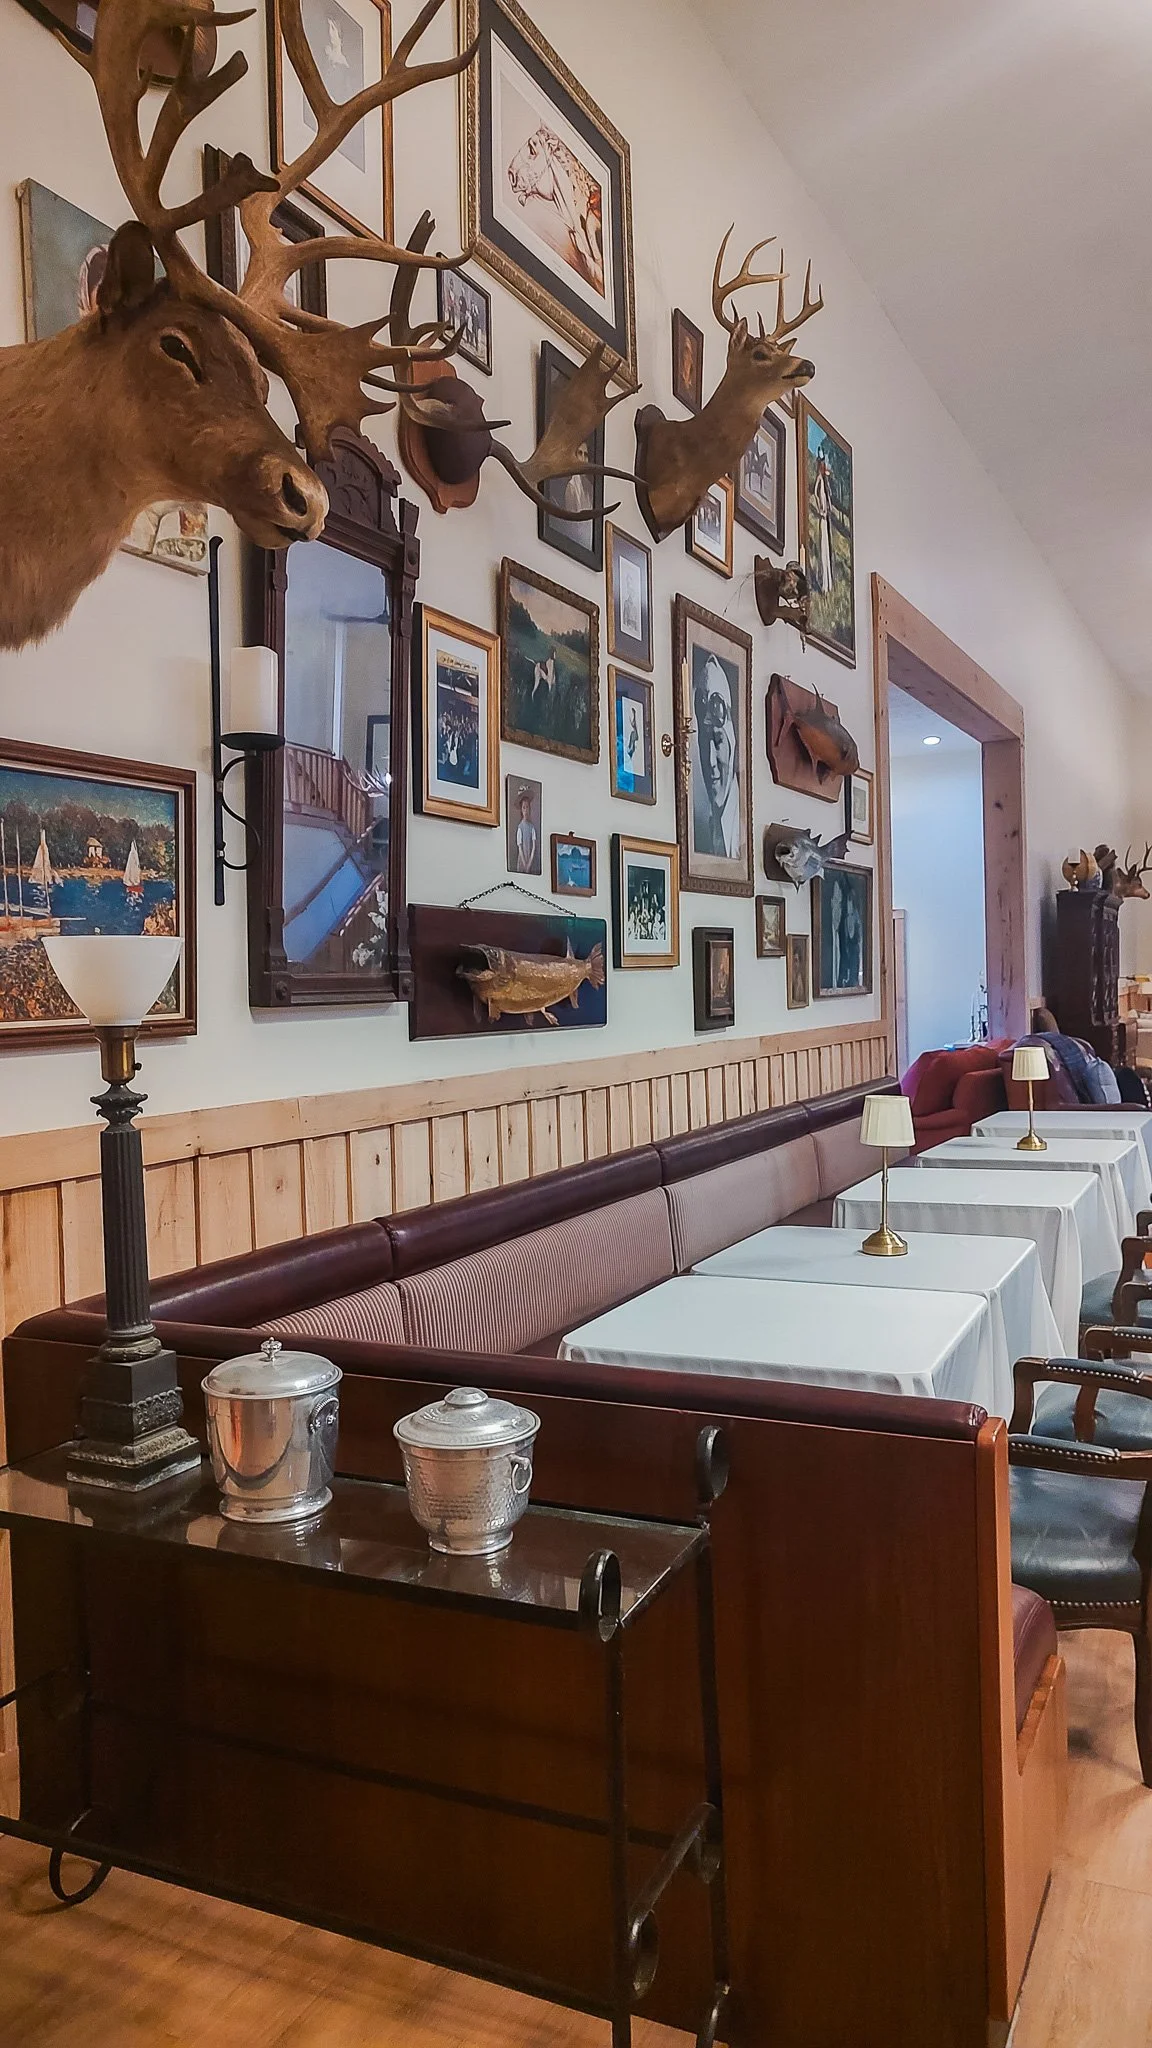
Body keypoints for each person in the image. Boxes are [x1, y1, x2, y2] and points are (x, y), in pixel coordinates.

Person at [692, 654, 741, 859]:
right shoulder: (705, 830)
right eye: (704, 743)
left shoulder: (741, 837)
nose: (710, 761)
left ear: (732, 741)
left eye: (718, 742)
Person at [811, 449, 833, 594]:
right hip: (822, 518)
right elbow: (815, 492)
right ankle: (825, 583)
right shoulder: (820, 479)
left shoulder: (825, 481)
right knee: (823, 548)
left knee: (828, 550)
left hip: (826, 518)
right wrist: (820, 507)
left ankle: (828, 582)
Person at [514, 788, 538, 873]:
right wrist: (525, 864)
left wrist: (529, 863)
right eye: (524, 807)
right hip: (523, 859)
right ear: (521, 810)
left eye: (527, 807)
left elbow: (534, 846)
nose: (526, 810)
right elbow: (520, 847)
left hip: (530, 858)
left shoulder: (532, 827)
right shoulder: (520, 827)